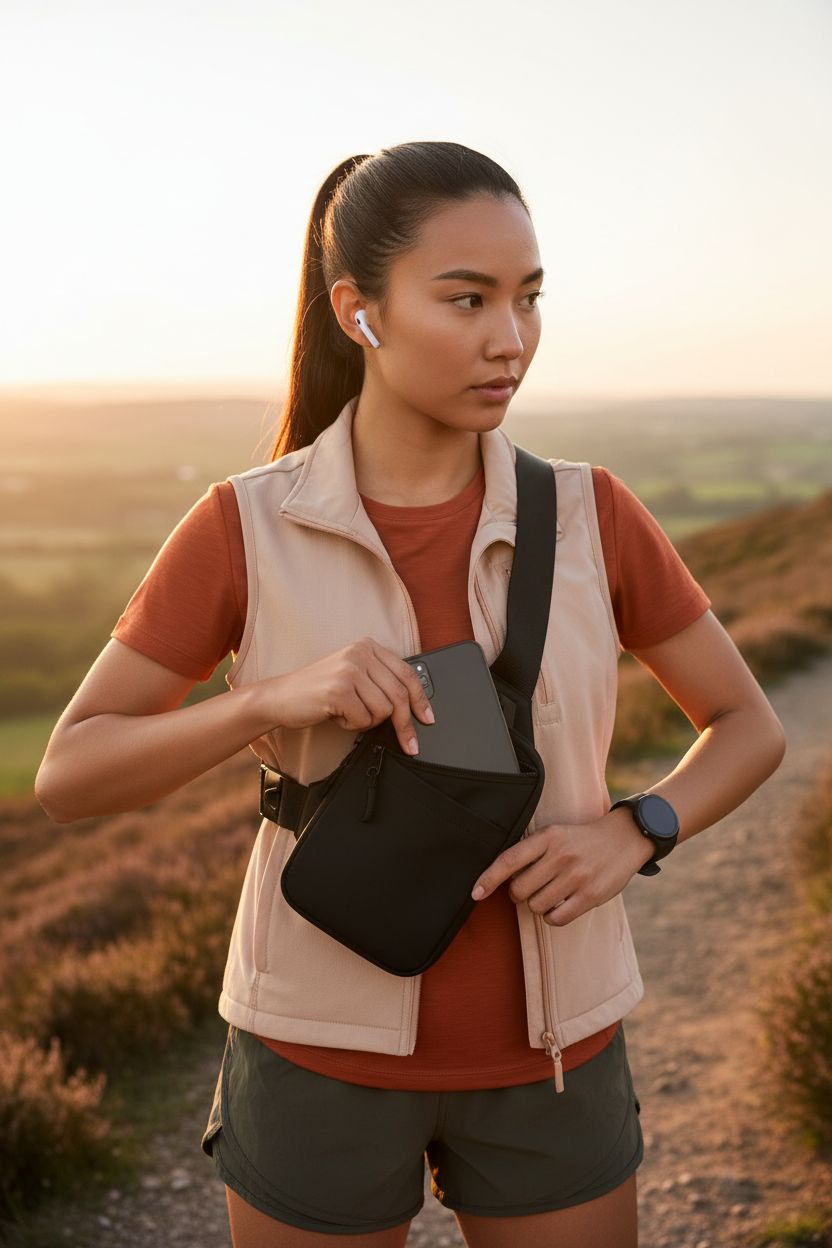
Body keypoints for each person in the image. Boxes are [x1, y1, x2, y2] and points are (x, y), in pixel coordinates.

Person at [35, 141, 786, 1248]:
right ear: (359, 311)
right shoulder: (243, 526)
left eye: (529, 299)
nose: (510, 338)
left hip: (555, 1054)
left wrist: (639, 829)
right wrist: (267, 700)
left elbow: (747, 728)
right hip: (309, 1053)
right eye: (466, 299)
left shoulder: (593, 514)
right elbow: (70, 774)